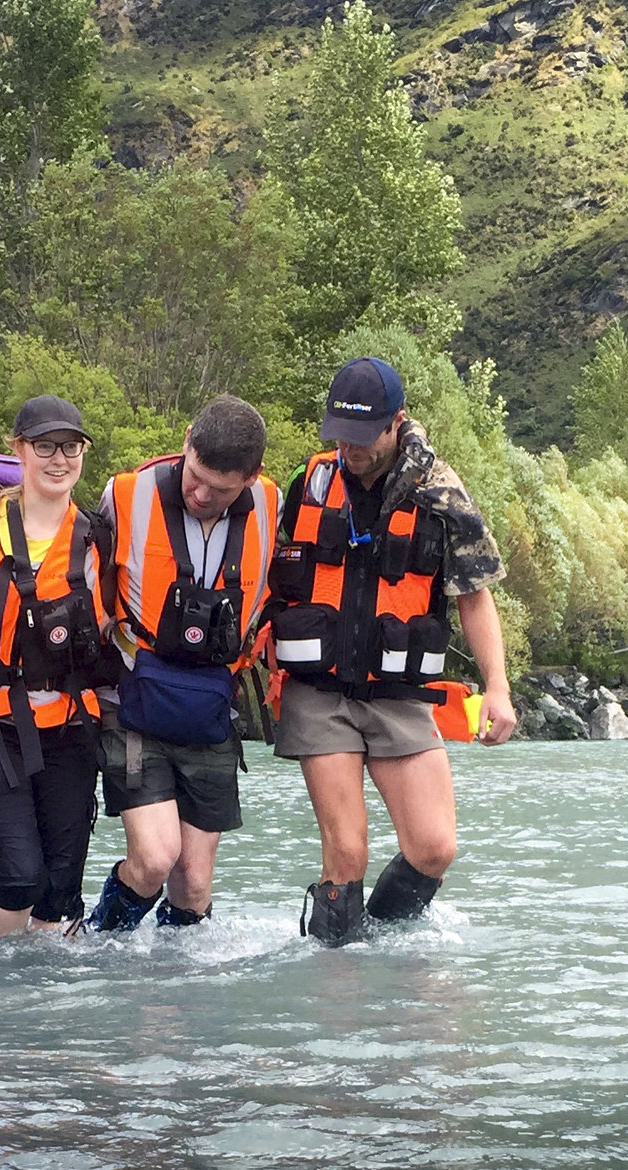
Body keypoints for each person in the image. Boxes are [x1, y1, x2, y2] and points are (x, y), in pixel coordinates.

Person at [270, 357, 518, 946]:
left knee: (434, 848)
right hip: (319, 693)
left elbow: (474, 599)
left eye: (361, 437)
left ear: (396, 423)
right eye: (339, 435)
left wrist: (499, 689)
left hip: (399, 695)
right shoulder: (308, 483)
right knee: (347, 852)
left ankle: (377, 944)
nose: (348, 448)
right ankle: (336, 975)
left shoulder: (443, 495)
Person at [80, 394, 281, 931]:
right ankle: (101, 946)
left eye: (220, 489)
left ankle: (175, 997)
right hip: (132, 701)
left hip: (212, 705)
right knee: (153, 859)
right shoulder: (123, 495)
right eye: (195, 476)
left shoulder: (272, 502)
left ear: (252, 476)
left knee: (193, 885)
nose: (200, 493)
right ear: (187, 441)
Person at [0, 396, 113, 936]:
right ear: (19, 449)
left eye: (70, 447)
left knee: (60, 890)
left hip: (69, 720)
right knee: (19, 878)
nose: (59, 459)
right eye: (45, 446)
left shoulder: (96, 536)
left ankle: (48, 1010)